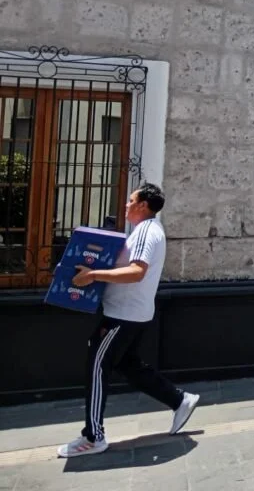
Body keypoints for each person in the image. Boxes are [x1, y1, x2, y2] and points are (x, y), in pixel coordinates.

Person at [58, 183, 200, 458]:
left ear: (143, 205)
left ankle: (93, 436)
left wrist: (94, 275)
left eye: (131, 200)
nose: (126, 205)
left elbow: (136, 271)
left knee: (97, 366)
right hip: (133, 313)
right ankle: (179, 399)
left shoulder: (147, 231)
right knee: (127, 364)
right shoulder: (143, 231)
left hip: (123, 316)